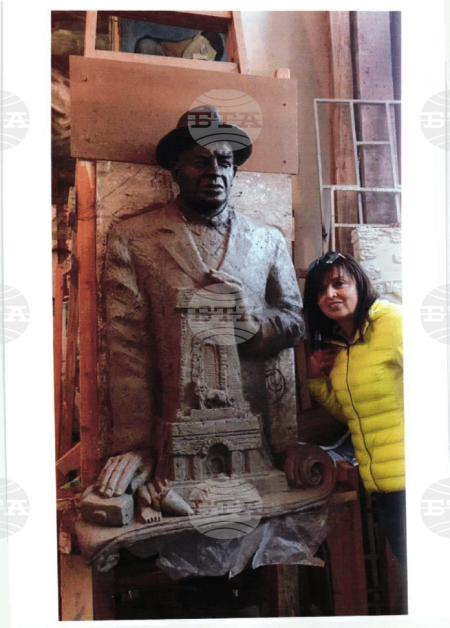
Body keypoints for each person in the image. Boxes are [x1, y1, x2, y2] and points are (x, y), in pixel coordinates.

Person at [94, 106, 305, 508]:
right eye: (200, 161)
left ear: (235, 172)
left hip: (256, 437)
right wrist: (136, 445)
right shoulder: (133, 238)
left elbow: (294, 322)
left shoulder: (267, 240)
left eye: (224, 162)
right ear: (175, 170)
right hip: (175, 436)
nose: (214, 172)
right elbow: (127, 350)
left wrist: (253, 323)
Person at [303, 252, 406, 568]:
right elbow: (352, 414)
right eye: (320, 290)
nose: (330, 294)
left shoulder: (393, 323)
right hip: (384, 485)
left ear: (359, 284)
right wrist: (315, 379)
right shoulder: (340, 346)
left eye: (339, 283)